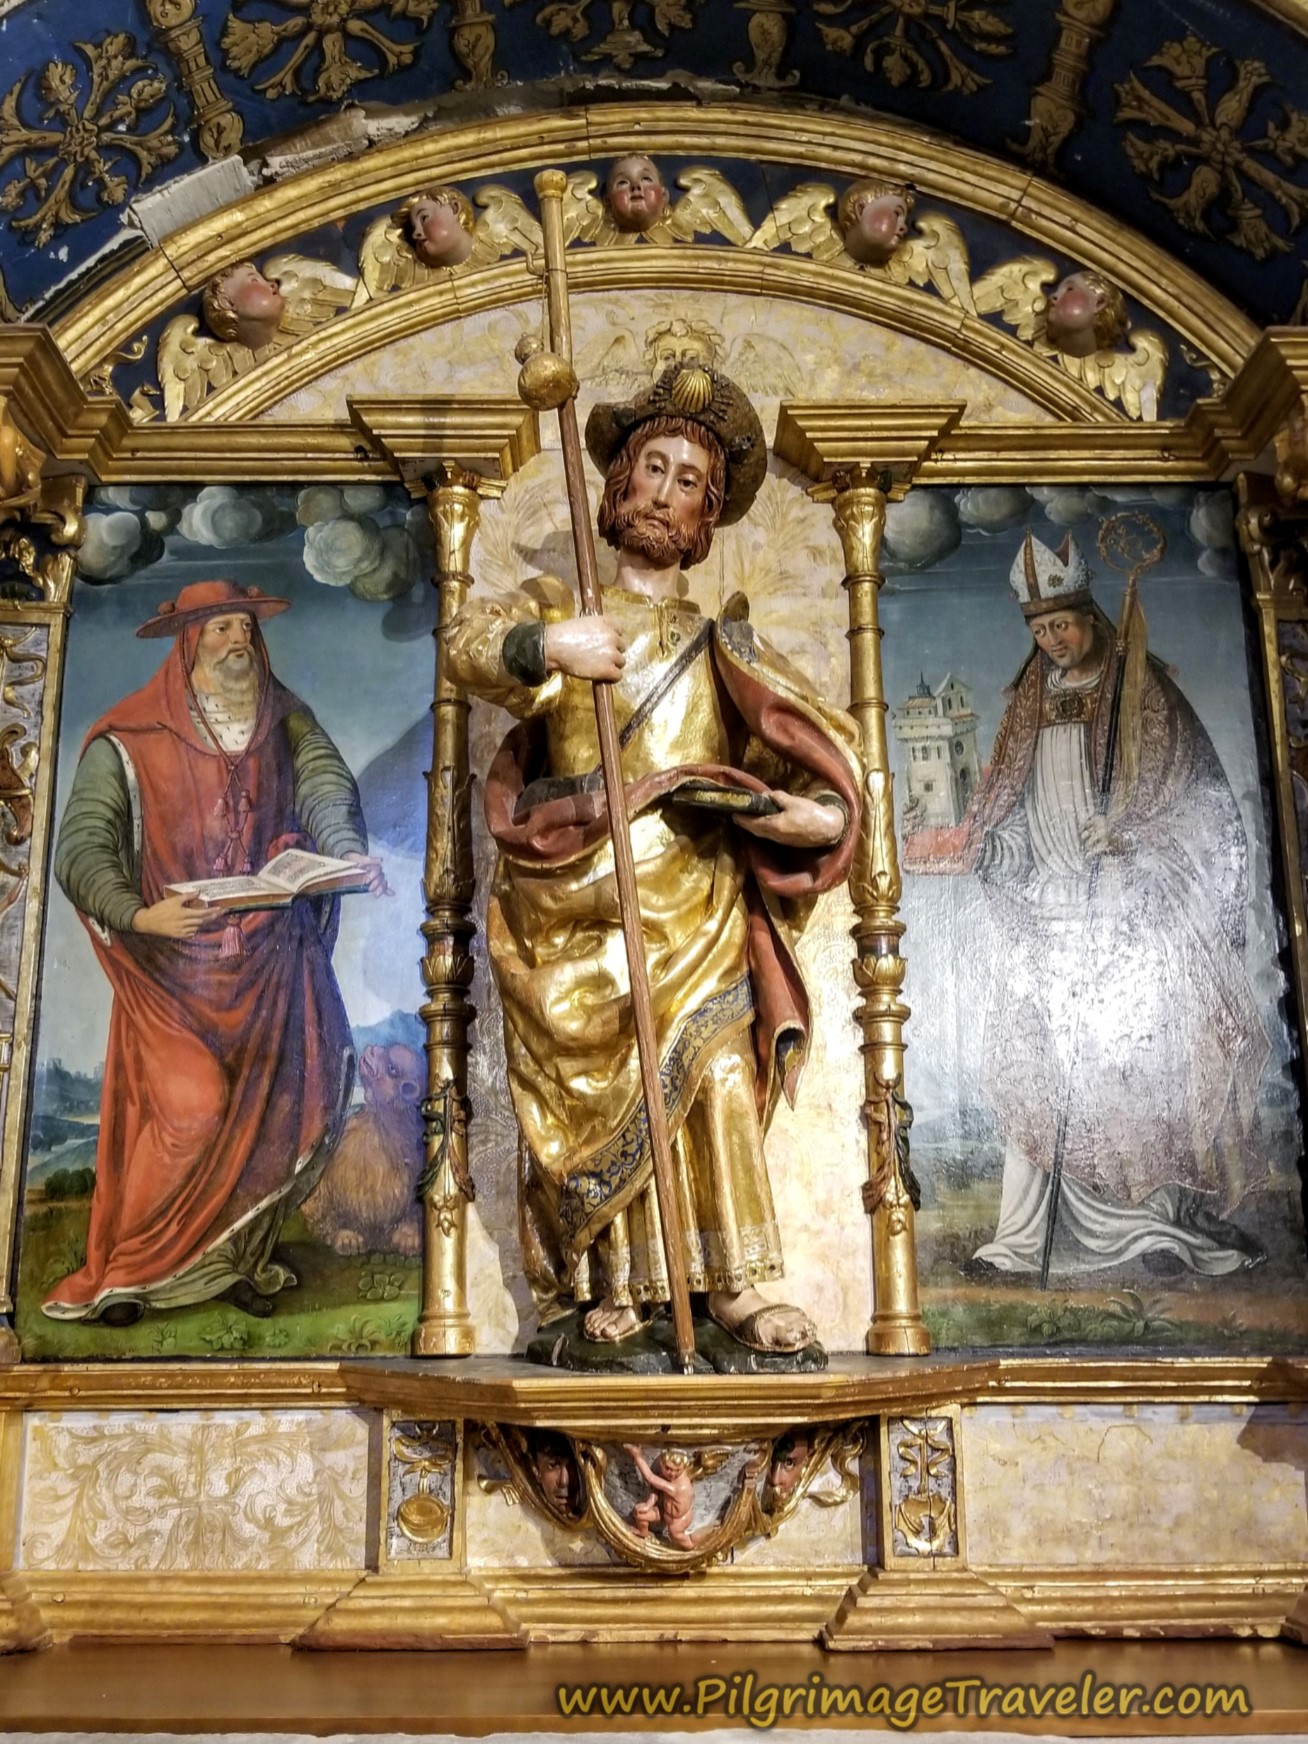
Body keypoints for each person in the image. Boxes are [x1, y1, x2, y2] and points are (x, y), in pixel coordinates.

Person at [446, 362, 861, 1353]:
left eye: (688, 481)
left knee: (716, 1067)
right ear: (618, 485)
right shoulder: (563, 601)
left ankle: (737, 1284)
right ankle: (610, 1284)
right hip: (578, 898)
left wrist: (811, 818)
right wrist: (553, 646)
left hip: (699, 898)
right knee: (610, 1087)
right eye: (653, 468)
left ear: (704, 516)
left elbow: (810, 756)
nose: (666, 491)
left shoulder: (722, 641)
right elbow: (466, 643)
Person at [43, 579, 386, 1328]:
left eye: (243, 627)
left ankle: (230, 1264)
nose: (236, 641)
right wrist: (137, 912)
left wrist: (344, 853)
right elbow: (81, 850)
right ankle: (127, 1271)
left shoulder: (286, 721)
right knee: (190, 1109)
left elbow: (325, 784)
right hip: (172, 971)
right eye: (219, 628)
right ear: (187, 644)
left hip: (268, 968)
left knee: (278, 1110)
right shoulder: (126, 740)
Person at [961, 531, 1270, 1278]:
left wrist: (1130, 836)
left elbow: (1201, 809)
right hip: (1049, 905)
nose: (1052, 640)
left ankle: (1148, 1227)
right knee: (1033, 1058)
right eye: (1038, 630)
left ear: (1091, 615)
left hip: (1130, 908)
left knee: (1129, 1061)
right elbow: (1006, 808)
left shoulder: (1143, 694)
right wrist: (993, 849)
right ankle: (1023, 1236)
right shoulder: (1028, 703)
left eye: (1061, 624)